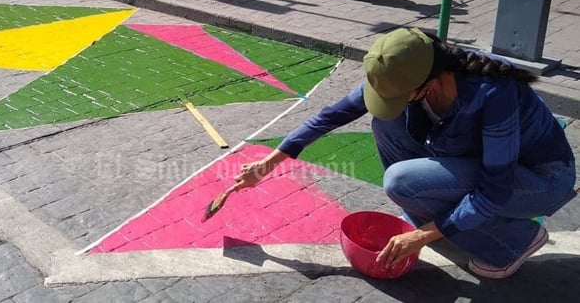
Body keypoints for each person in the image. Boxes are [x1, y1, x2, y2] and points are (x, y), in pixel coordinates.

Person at [234, 27, 577, 279]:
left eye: (403, 95)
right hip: (484, 164)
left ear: (429, 83)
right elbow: (331, 116)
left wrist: (423, 235)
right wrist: (268, 164)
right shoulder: (408, 68)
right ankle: (432, 211)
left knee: (401, 182)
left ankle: (514, 241)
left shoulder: (491, 95)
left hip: (540, 179)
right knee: (387, 123)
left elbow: (495, 189)